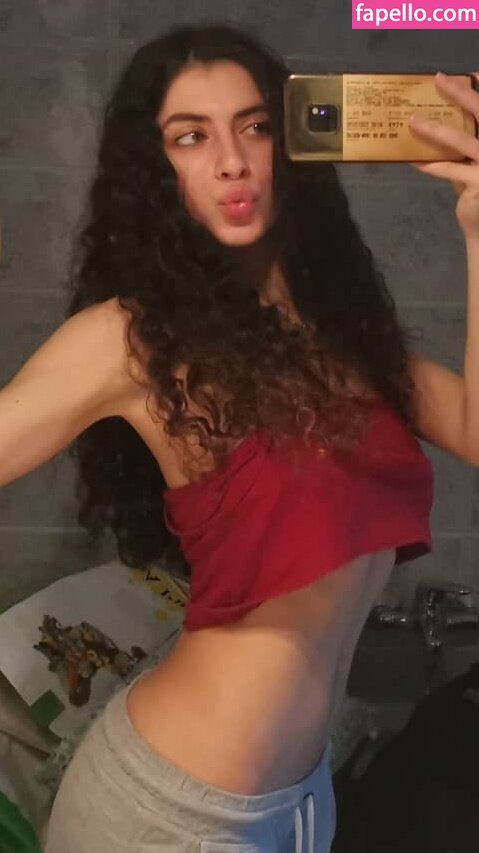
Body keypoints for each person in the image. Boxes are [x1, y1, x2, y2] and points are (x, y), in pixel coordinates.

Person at [1, 22, 478, 853]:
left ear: (289, 146)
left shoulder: (348, 342)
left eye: (254, 126)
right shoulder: (131, 338)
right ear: (156, 171)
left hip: (299, 800)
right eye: (191, 137)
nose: (231, 161)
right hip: (166, 814)